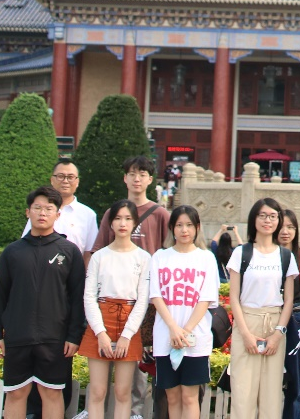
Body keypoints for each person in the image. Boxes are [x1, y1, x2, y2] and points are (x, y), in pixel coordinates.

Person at [0, 187, 87, 419]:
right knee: (16, 393)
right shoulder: (12, 252)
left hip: (54, 338)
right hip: (17, 336)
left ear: (57, 214)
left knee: (51, 392)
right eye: (37, 208)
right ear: (28, 212)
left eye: (49, 209)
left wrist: (74, 336)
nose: (43, 213)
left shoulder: (69, 251)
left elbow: (77, 297)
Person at [89, 155, 171, 419]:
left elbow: (168, 255)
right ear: (125, 178)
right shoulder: (111, 213)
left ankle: (134, 414)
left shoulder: (160, 214)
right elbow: (97, 251)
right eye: (132, 174)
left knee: (136, 370)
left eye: (142, 174)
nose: (137, 179)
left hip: (144, 302)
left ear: (150, 179)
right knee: (101, 382)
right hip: (109, 301)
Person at [228, 198, 298, 419]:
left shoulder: (285, 256)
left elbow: (288, 300)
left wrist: (278, 334)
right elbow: (234, 297)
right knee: (242, 393)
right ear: (254, 219)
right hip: (247, 321)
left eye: (273, 216)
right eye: (263, 215)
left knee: (271, 396)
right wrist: (246, 334)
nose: (268, 220)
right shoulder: (242, 253)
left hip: (274, 323)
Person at [82, 200, 151, 419]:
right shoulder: (99, 256)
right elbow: (89, 296)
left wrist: (127, 335)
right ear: (110, 223)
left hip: (129, 323)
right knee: (97, 391)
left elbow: (142, 300)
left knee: (123, 391)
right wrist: (100, 333)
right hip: (101, 321)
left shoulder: (144, 258)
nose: (123, 223)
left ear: (135, 223)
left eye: (128, 219)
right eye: (118, 218)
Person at [150, 206, 218, 419]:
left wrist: (185, 331)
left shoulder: (206, 258)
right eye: (179, 225)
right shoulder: (160, 257)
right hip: (166, 336)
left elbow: (206, 298)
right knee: (172, 397)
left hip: (195, 338)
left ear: (197, 228)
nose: (184, 230)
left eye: (189, 225)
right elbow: (156, 296)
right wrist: (173, 329)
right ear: (172, 228)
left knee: (190, 396)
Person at [22, 158, 98, 252]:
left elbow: (89, 251)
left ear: (77, 182)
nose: (65, 181)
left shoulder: (88, 215)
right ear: (52, 180)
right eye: (60, 176)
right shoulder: (40, 211)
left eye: (70, 177)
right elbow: (26, 243)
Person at [278, 209, 300, 419]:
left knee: (294, 383)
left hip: (296, 318)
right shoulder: (262, 256)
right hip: (268, 316)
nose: (285, 231)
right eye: (281, 226)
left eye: (290, 227)